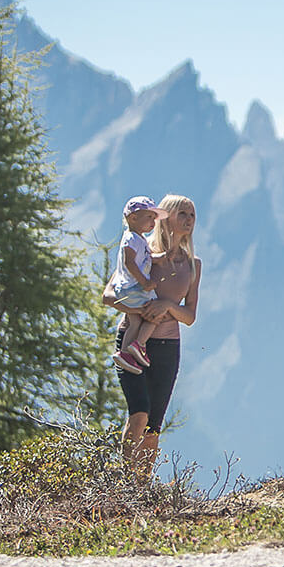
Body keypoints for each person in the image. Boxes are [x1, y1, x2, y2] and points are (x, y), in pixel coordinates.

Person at [102, 193, 202, 480]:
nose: (188, 220)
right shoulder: (140, 252)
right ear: (164, 216)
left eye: (192, 215)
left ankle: (141, 487)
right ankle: (125, 484)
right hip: (130, 343)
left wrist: (168, 306)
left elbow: (190, 316)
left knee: (153, 425)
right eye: (181, 213)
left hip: (168, 348)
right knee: (139, 413)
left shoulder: (194, 265)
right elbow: (108, 296)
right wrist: (142, 308)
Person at [105, 196, 164, 374]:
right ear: (133, 218)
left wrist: (158, 258)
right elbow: (130, 262)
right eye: (149, 217)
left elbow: (143, 258)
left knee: (135, 321)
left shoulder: (139, 239)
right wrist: (144, 282)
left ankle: (124, 354)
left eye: (154, 219)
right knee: (156, 312)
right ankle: (139, 344)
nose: (153, 223)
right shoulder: (131, 238)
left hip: (128, 289)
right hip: (132, 288)